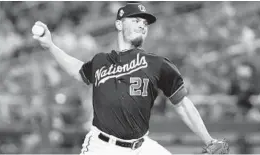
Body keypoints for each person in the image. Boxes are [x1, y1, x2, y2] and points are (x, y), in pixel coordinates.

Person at [33, 3, 225, 155]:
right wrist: (50, 45)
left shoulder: (158, 64)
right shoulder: (101, 61)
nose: (142, 24)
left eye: (145, 23)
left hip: (142, 147)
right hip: (102, 147)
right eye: (135, 20)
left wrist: (209, 140)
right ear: (119, 24)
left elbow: (182, 104)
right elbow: (77, 70)